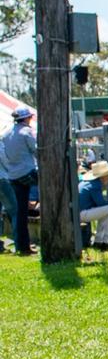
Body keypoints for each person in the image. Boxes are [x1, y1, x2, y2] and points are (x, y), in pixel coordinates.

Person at [2, 107, 38, 255]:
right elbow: (36, 150)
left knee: (20, 211)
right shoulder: (26, 132)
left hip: (13, 175)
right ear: (26, 118)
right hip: (27, 172)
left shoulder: (6, 134)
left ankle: (21, 245)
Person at [78, 161, 108, 250]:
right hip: (82, 213)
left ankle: (99, 241)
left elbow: (99, 205)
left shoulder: (89, 182)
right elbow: (101, 203)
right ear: (103, 176)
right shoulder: (95, 185)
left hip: (79, 212)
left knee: (107, 211)